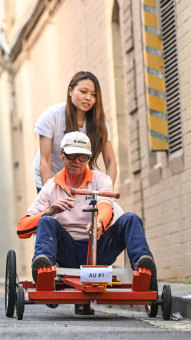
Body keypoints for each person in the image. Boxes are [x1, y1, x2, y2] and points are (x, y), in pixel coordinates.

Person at [17, 132, 156, 287]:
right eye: (72, 155)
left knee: (131, 219)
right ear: (62, 154)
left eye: (82, 156)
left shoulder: (100, 180)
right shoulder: (51, 186)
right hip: (67, 251)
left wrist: (99, 224)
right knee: (46, 221)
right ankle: (44, 271)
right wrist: (49, 211)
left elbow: (105, 206)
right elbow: (22, 228)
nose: (77, 161)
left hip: (99, 247)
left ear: (89, 158)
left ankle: (143, 268)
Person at [33, 71, 117, 192]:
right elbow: (45, 161)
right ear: (70, 91)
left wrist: (106, 192)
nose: (88, 98)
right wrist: (50, 195)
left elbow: (110, 161)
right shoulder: (52, 116)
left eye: (93, 95)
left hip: (77, 178)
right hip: (50, 177)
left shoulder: (99, 123)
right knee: (56, 209)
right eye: (83, 92)